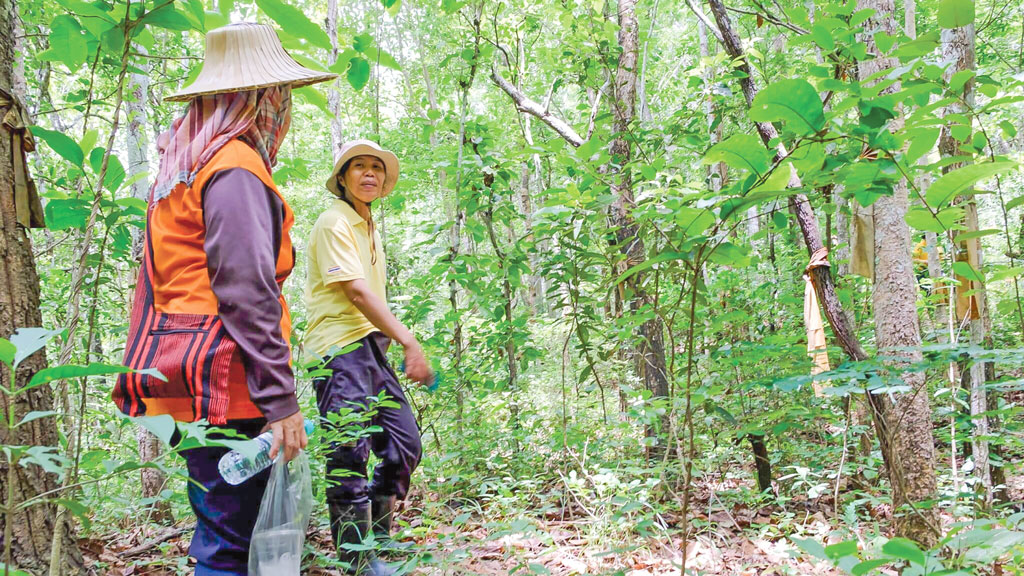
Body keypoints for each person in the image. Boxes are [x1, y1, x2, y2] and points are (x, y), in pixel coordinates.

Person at [113, 23, 335, 576]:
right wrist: (281, 401)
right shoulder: (234, 166)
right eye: (281, 95)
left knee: (223, 526)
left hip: (185, 375)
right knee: (234, 540)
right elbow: (245, 290)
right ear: (264, 98)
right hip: (227, 384)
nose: (285, 108)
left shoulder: (186, 163)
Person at [305, 140, 433, 575]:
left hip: (371, 347)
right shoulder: (333, 222)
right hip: (338, 348)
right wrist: (409, 341)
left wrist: (392, 340)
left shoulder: (367, 225)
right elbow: (356, 292)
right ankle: (356, 560)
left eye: (376, 168)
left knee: (403, 445)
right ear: (342, 178)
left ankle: (378, 537)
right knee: (348, 452)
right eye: (358, 167)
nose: (369, 174)